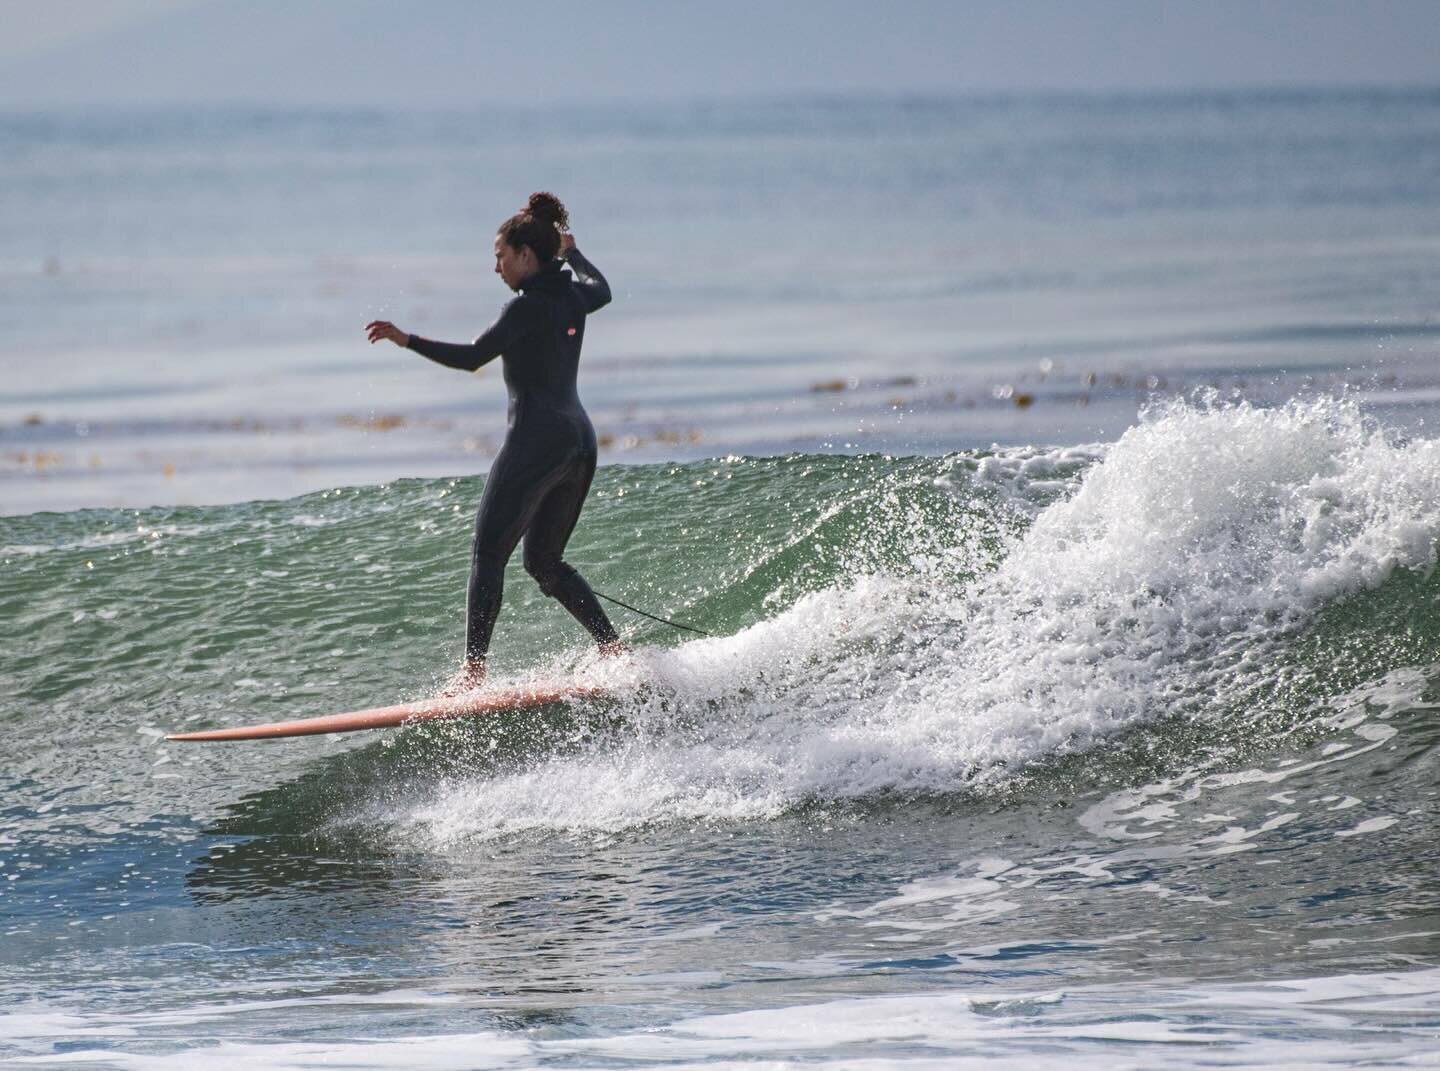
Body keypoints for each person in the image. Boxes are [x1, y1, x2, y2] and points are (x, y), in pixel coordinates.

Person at [366, 192, 621, 691]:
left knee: (488, 555)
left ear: (526, 254)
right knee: (544, 563)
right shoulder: (572, 296)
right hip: (580, 441)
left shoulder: (522, 308)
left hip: (536, 441)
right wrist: (572, 253)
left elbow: (473, 357)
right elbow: (603, 288)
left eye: (501, 256)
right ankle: (613, 649)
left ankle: (472, 673)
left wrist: (407, 339)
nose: (496, 267)